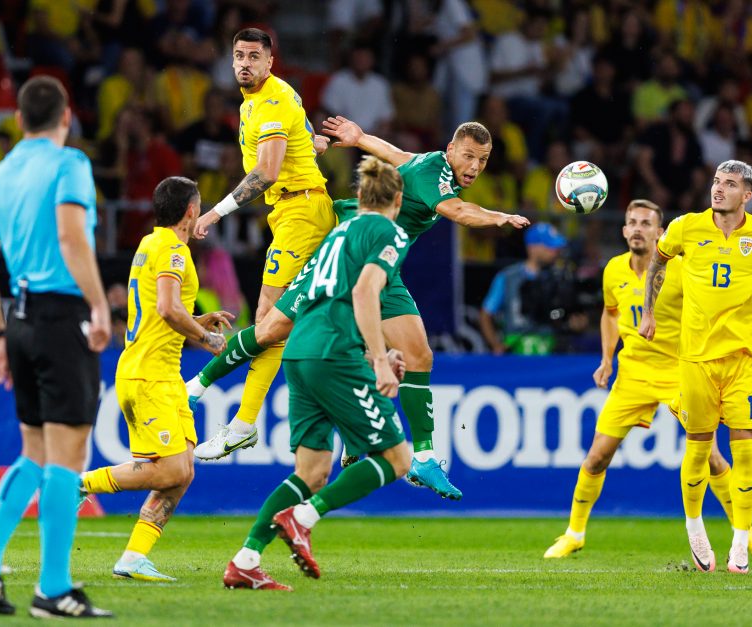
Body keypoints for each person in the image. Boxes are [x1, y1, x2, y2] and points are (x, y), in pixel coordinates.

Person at [188, 119, 529, 499]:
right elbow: (459, 212)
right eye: (469, 156)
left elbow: (398, 156)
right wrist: (498, 216)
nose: (475, 166)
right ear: (451, 151)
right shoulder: (436, 174)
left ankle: (424, 457)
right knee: (271, 329)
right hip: (349, 249)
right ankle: (197, 386)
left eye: (482, 160)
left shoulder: (433, 165)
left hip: (384, 264)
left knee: (419, 355)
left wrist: (361, 138)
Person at [0, 76, 113, 618]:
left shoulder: (0, 174)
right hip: (61, 315)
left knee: (35, 453)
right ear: (66, 115)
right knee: (69, 457)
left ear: (20, 120)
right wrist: (98, 306)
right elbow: (72, 239)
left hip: (18, 319)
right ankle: (54, 588)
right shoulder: (69, 164)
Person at [544, 199, 752, 559]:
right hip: (633, 373)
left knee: (712, 456)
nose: (637, 228)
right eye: (632, 222)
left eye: (646, 223)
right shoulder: (614, 270)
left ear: (660, 232)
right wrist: (607, 359)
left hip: (679, 371)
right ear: (623, 231)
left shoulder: (683, 269)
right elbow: (609, 313)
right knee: (596, 457)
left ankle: (745, 531)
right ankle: (574, 533)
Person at [223, 156, 412, 590]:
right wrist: (379, 360)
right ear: (397, 200)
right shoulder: (388, 231)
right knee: (397, 458)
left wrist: (371, 352)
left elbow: (329, 298)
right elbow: (365, 291)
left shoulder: (337, 231)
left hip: (301, 351)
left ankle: (246, 560)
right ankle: (302, 518)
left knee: (310, 473)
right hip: (332, 353)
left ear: (359, 196)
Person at [640, 160, 752, 575]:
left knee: (745, 451)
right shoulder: (685, 227)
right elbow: (657, 263)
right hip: (695, 359)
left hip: (743, 358)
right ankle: (695, 531)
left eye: (729, 184)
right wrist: (648, 313)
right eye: (715, 181)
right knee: (699, 449)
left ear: (747, 194)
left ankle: (741, 543)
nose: (718, 189)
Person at [191, 28, 336, 463]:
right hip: (297, 211)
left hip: (300, 215)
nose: (245, 63)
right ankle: (339, 420)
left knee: (269, 322)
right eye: (238, 55)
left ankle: (239, 421)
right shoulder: (268, 97)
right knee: (289, 324)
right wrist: (313, 142)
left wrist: (214, 213)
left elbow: (268, 172)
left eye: (254, 56)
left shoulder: (270, 102)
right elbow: (303, 132)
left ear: (270, 62)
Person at [79, 177, 233, 582]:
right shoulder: (173, 250)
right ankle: (81, 484)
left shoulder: (150, 244)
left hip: (158, 372)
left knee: (182, 472)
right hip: (150, 375)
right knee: (168, 471)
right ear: (191, 211)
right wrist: (207, 337)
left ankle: (133, 557)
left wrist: (197, 321)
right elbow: (167, 308)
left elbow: (159, 313)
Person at [479, 223, 568, 355]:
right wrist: (496, 345)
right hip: (516, 351)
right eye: (550, 246)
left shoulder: (559, 277)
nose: (555, 252)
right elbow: (485, 314)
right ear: (533, 248)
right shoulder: (508, 277)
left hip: (550, 350)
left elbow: (565, 317)